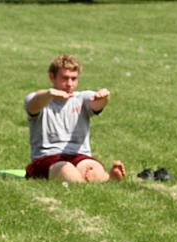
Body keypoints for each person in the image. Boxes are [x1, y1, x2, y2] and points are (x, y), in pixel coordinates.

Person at [24, 54, 125, 183]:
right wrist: (50, 94)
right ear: (52, 77)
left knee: (95, 169)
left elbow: (96, 103)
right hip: (47, 158)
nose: (69, 84)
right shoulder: (39, 99)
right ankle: (84, 180)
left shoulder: (81, 98)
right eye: (65, 78)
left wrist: (104, 97)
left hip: (79, 156)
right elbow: (33, 106)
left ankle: (107, 179)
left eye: (74, 79)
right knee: (67, 170)